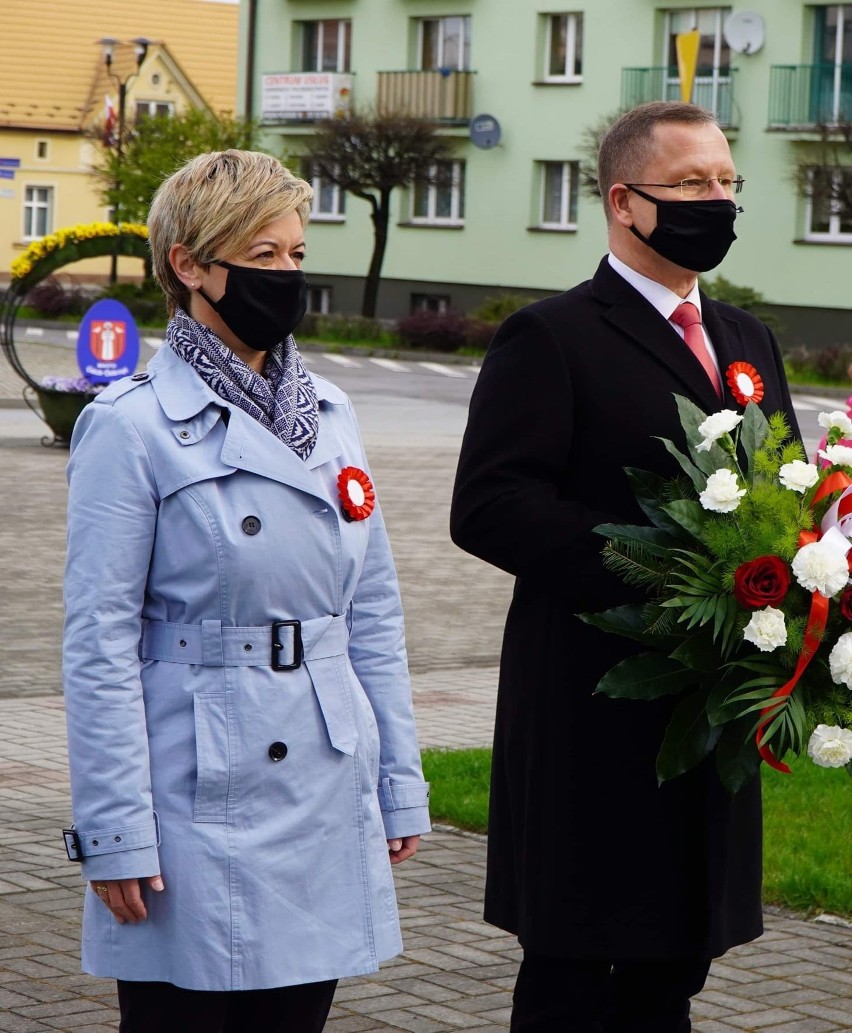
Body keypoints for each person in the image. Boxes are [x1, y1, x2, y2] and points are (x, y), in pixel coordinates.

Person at [450, 102, 799, 1032]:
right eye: (691, 184)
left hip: (711, 710)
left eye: (727, 182)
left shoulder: (748, 341)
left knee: (672, 971)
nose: (716, 202)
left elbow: (786, 488)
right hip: (591, 711)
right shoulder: (553, 336)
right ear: (623, 202)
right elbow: (490, 506)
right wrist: (666, 567)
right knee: (576, 975)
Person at [62, 149, 430, 1032]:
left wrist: (398, 778)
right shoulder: (131, 425)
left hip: (321, 777)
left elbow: (370, 612)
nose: (288, 276)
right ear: (189, 265)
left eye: (297, 255)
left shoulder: (332, 414)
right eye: (263, 257)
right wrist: (115, 828)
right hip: (195, 790)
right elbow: (99, 642)